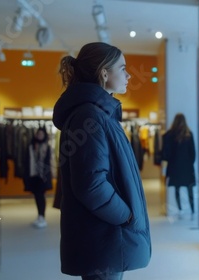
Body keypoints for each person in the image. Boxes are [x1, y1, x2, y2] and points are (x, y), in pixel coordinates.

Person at [52, 42, 151, 280]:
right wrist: (126, 216)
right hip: (103, 238)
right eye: (123, 68)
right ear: (104, 73)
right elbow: (91, 184)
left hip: (104, 239)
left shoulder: (98, 114)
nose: (128, 75)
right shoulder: (90, 116)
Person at [161, 113, 196, 219]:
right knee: (189, 189)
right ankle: (192, 209)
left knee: (177, 188)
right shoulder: (189, 135)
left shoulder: (169, 135)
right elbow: (193, 153)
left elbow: (166, 153)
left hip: (174, 167)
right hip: (187, 167)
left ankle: (180, 209)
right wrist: (189, 163)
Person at [23, 126, 53, 228]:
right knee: (36, 195)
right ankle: (39, 216)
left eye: (41, 134)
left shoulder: (47, 147)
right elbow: (26, 161)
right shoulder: (31, 146)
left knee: (41, 195)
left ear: (44, 135)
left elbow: (49, 162)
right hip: (34, 175)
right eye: (38, 134)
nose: (39, 135)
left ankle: (42, 216)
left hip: (43, 176)